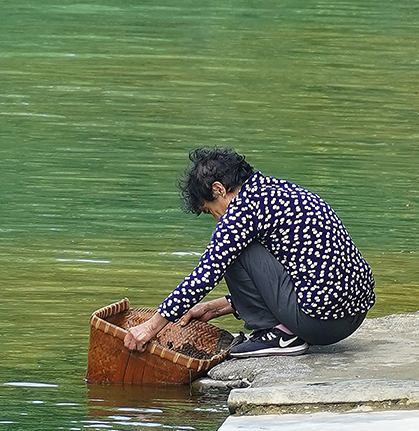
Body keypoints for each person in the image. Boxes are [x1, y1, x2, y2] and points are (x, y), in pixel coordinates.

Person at [125, 147, 374, 360]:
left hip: (322, 323)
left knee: (229, 251)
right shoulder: (275, 190)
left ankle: (280, 336)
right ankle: (282, 329)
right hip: (352, 315)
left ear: (219, 189)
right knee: (238, 245)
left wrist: (151, 327)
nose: (216, 218)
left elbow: (204, 276)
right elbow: (295, 266)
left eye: (211, 210)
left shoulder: (240, 213)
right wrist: (220, 306)